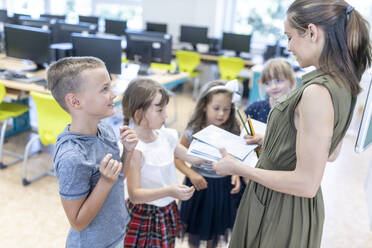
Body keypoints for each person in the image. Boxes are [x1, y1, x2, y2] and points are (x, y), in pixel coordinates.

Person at [213, 1, 372, 247]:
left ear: (312, 32)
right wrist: (274, 139)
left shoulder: (317, 92)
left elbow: (307, 184)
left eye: (290, 37)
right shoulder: (342, 82)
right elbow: (328, 152)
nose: (288, 47)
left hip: (280, 208)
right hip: (283, 205)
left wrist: (240, 168)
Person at [49, 56, 138, 248]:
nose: (113, 95)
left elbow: (119, 178)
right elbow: (77, 222)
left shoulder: (104, 129)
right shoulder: (72, 157)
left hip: (116, 233)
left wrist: (128, 153)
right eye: (104, 89)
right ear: (75, 101)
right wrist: (105, 182)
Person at [122, 78, 203, 248]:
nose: (165, 116)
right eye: (159, 110)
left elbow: (192, 157)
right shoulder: (135, 149)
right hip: (144, 214)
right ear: (138, 114)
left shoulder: (166, 135)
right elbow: (135, 195)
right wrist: (170, 190)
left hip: (167, 209)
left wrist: (217, 154)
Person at [175, 81, 242, 248]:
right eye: (216, 108)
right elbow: (177, 158)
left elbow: (237, 159)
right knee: (195, 231)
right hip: (198, 186)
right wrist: (192, 174)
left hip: (222, 187)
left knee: (215, 230)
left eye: (226, 109)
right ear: (205, 106)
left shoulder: (233, 131)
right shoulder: (193, 131)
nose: (221, 114)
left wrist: (236, 175)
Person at [244, 58, 297, 123]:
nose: (273, 87)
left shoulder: (297, 110)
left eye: (278, 81)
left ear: (291, 82)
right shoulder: (254, 108)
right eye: (267, 83)